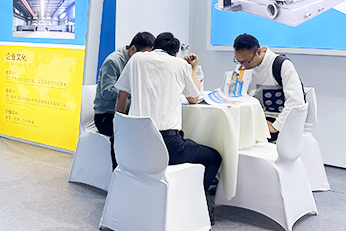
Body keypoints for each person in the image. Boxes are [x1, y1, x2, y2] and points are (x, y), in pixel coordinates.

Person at [114, 34, 222, 193]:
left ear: (153, 47)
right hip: (167, 146)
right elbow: (194, 98)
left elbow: (122, 96)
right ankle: (196, 201)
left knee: (188, 142)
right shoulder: (180, 64)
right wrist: (192, 68)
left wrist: (119, 127)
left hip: (134, 142)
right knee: (214, 157)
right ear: (176, 53)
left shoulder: (136, 59)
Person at [93, 31, 155, 167]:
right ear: (133, 49)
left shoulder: (138, 62)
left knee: (150, 131)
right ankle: (119, 170)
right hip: (106, 117)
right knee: (132, 135)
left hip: (127, 114)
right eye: (144, 54)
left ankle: (140, 170)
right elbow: (106, 92)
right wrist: (132, 92)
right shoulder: (113, 62)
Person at [232, 33, 305, 143]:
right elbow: (234, 97)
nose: (243, 65)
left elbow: (296, 101)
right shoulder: (243, 67)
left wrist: (276, 126)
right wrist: (239, 81)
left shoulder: (281, 65)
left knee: (245, 138)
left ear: (259, 52)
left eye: (246, 61)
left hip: (279, 119)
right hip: (257, 118)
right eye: (238, 61)